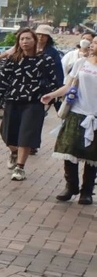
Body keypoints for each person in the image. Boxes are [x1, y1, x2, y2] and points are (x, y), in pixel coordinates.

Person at [0, 28, 57, 181]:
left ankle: (20, 167)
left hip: (33, 102)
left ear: (34, 40)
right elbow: (3, 81)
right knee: (7, 133)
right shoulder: (13, 59)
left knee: (26, 135)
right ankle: (13, 151)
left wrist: (50, 96)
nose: (25, 42)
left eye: (28, 39)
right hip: (13, 100)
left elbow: (54, 80)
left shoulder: (45, 60)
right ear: (18, 42)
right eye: (22, 39)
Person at [43, 42, 97, 204]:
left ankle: (86, 191)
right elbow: (68, 86)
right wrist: (51, 95)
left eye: (96, 43)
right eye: (93, 42)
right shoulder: (81, 63)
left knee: (93, 155)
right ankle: (71, 186)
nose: (93, 45)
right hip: (76, 112)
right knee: (68, 149)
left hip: (95, 116)